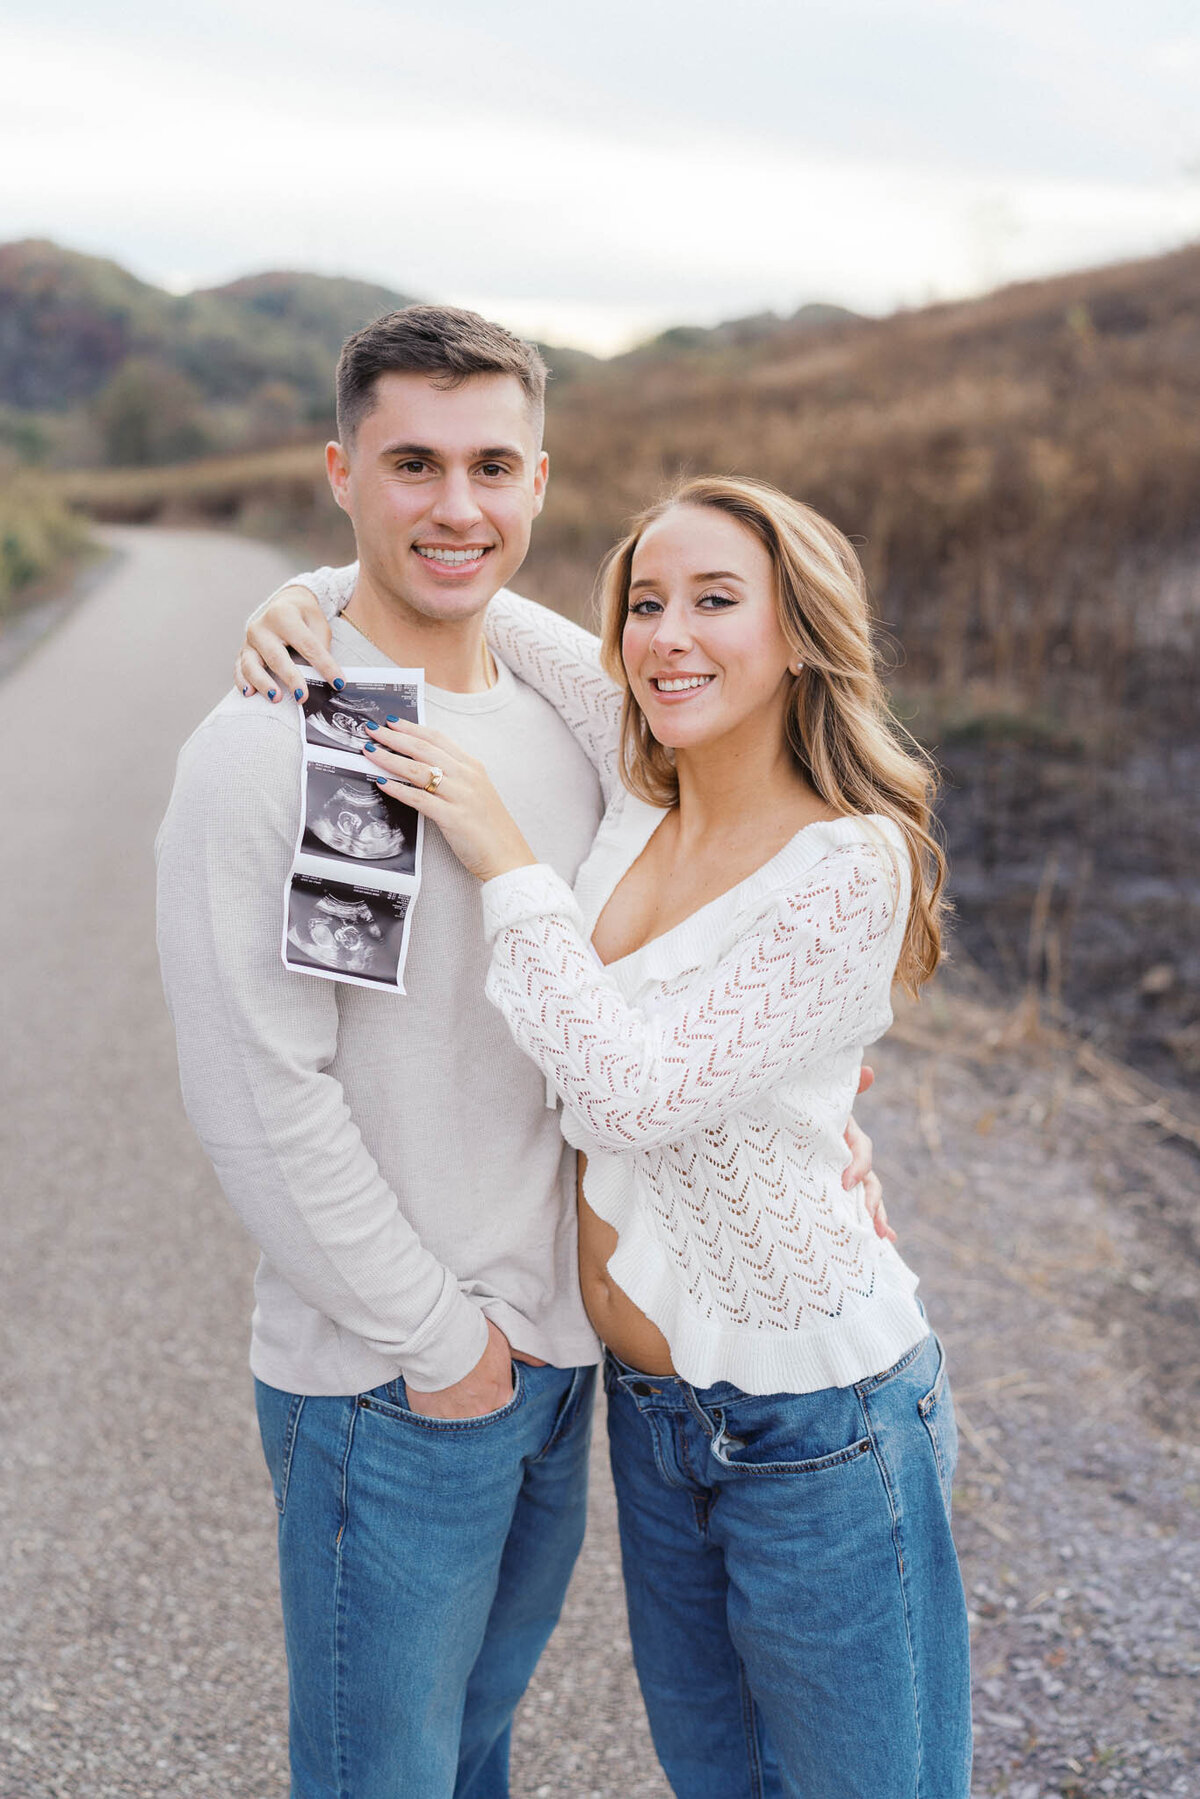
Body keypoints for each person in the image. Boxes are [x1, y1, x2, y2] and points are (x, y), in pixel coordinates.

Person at [159, 304, 882, 1799]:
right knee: (387, 1775)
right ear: (339, 469)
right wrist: (442, 1350)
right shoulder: (319, 743)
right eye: (411, 464)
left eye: (493, 465)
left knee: (475, 1752)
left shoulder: (576, 712)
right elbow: (259, 1093)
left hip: (560, 1371)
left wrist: (803, 1118)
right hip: (401, 1373)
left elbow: (677, 950)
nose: (456, 506)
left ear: (544, 483)